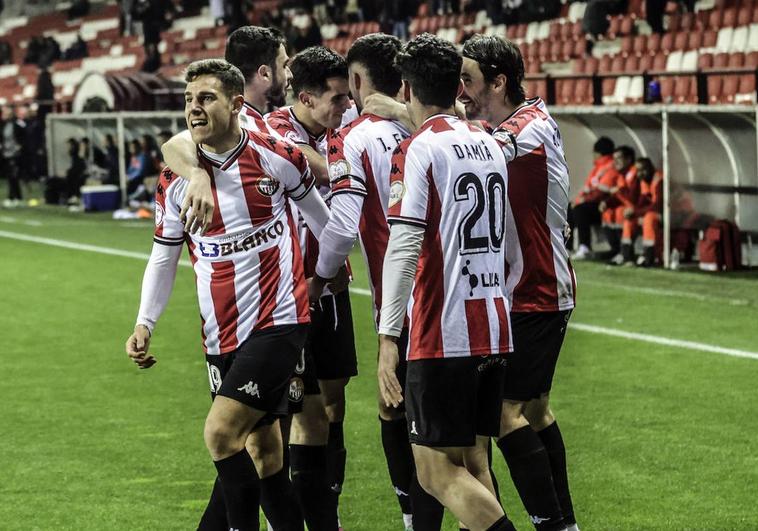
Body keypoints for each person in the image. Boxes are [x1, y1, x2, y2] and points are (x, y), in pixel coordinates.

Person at [125, 58, 332, 531]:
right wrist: (145, 322)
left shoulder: (273, 154)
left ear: (237, 103)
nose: (193, 109)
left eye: (206, 98)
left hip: (279, 320)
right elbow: (164, 256)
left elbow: (322, 220)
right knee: (264, 452)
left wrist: (323, 274)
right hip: (220, 332)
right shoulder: (175, 178)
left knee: (220, 435)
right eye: (188, 100)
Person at [377, 33, 516, 531]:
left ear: (407, 90)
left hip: (444, 331)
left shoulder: (418, 148)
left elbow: (405, 245)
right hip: (494, 323)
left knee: (436, 472)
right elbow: (509, 242)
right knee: (475, 463)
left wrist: (389, 337)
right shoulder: (489, 140)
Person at [307, 33, 445, 531]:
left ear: (358, 81)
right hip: (461, 297)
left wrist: (319, 281)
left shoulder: (355, 137)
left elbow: (343, 226)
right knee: (458, 433)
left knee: (402, 415)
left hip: (402, 300)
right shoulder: (431, 127)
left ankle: (415, 517)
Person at [460, 34, 577, 531]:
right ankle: (564, 522)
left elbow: (480, 149)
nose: (460, 90)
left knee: (506, 414)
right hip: (521, 289)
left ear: (499, 80)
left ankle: (552, 524)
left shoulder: (527, 126)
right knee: (536, 409)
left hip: (538, 289)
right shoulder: (510, 121)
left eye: (467, 80)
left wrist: (417, 115)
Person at [264, 45, 355, 530]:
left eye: (347, 97)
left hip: (332, 287)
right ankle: (302, 517)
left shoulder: (339, 121)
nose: (345, 107)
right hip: (295, 290)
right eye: (337, 99)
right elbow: (307, 164)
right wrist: (355, 165)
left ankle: (324, 508)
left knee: (331, 405)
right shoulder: (277, 128)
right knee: (292, 413)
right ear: (305, 96)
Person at [570, 136, 618, 260]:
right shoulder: (599, 166)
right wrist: (577, 200)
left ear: (598, 153)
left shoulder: (611, 166)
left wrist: (581, 201)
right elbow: (589, 188)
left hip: (604, 204)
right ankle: (567, 248)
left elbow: (602, 192)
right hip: (594, 202)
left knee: (580, 210)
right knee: (569, 208)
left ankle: (585, 247)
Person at [624, 157, 663, 267]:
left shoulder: (659, 179)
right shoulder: (644, 181)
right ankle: (627, 257)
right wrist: (634, 212)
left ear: (650, 168)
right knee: (629, 221)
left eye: (643, 170)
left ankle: (649, 257)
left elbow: (658, 205)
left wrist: (636, 212)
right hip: (655, 212)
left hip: (674, 214)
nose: (640, 173)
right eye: (638, 171)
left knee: (649, 219)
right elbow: (643, 200)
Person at [603, 145, 636, 265]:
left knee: (620, 213)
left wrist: (618, 192)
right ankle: (617, 250)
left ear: (628, 159)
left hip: (640, 210)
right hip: (631, 208)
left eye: (619, 158)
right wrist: (606, 202)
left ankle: (626, 254)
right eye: (614, 158)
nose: (615, 162)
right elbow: (619, 195)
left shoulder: (635, 173)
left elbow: (637, 197)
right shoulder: (622, 175)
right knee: (608, 212)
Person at [1, 105, 25, 207]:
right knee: (11, 176)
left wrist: (19, 147)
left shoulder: (17, 124)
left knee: (13, 176)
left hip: (15, 154)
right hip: (6, 154)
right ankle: (17, 197)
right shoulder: (3, 125)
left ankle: (12, 197)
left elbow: (23, 138)